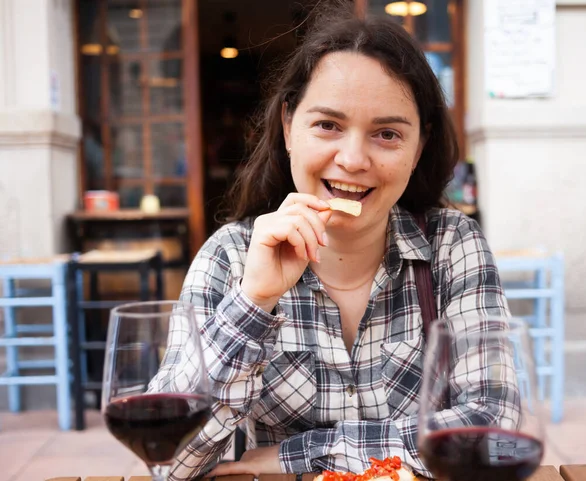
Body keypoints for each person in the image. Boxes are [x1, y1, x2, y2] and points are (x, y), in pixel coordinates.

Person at [156, 3, 519, 480]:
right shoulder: (228, 257)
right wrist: (254, 301)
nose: (351, 159)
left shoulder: (454, 246)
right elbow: (171, 460)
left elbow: (493, 434)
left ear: (419, 149)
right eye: (328, 125)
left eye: (386, 134)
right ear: (289, 127)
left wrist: (296, 454)